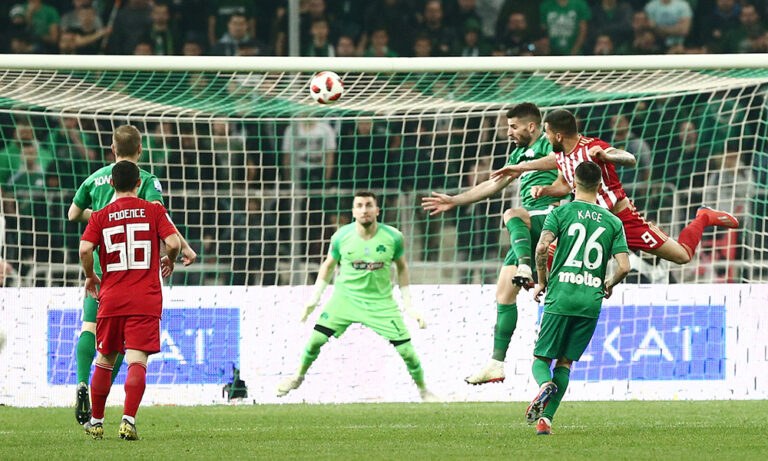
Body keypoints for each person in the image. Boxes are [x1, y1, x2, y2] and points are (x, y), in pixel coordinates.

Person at [421, 103, 566, 385]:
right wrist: (455, 200)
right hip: (528, 225)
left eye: (513, 127)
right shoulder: (517, 154)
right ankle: (496, 364)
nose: (508, 132)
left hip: (550, 217)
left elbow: (560, 161)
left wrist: (522, 167)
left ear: (532, 126)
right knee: (503, 294)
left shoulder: (549, 143)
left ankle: (526, 267)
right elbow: (492, 185)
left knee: (511, 214)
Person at [491, 108, 740, 268]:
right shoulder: (561, 154)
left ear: (557, 135)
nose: (544, 137)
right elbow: (556, 169)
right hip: (590, 222)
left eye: (546, 133)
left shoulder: (592, 147)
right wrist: (525, 173)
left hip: (622, 219)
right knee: (550, 256)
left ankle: (703, 217)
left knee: (682, 256)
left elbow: (629, 158)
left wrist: (608, 156)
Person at [68, 125, 197, 426]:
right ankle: (122, 414)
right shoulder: (147, 180)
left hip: (100, 265)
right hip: (135, 272)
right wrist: (184, 247)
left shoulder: (96, 177)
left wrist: (102, 218)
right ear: (140, 149)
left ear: (112, 149)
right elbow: (158, 217)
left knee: (91, 328)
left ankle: (82, 382)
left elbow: (73, 214)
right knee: (127, 351)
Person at [276, 191, 437, 402]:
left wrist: (409, 305)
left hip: (380, 302)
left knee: (407, 352)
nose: (364, 210)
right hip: (345, 299)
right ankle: (297, 377)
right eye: (359, 206)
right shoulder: (341, 236)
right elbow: (328, 266)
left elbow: (402, 267)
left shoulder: (394, 237)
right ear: (353, 212)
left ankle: (424, 390)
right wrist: (314, 299)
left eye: (368, 205)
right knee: (316, 340)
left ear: (377, 210)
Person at [525, 161, 630, 435]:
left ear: (573, 183)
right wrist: (608, 284)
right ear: (600, 186)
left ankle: (544, 385)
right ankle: (546, 420)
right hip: (590, 301)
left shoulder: (560, 212)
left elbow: (542, 247)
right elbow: (624, 266)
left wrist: (541, 281)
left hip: (561, 295)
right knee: (565, 363)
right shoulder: (614, 222)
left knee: (540, 359)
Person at [79, 160, 181, 440]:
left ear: (112, 184)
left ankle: (96, 422)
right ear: (139, 183)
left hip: (111, 298)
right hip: (145, 298)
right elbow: (173, 243)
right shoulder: (154, 210)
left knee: (105, 359)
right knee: (137, 360)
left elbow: (85, 249)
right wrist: (169, 259)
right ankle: (128, 420)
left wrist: (90, 276)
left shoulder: (100, 215)